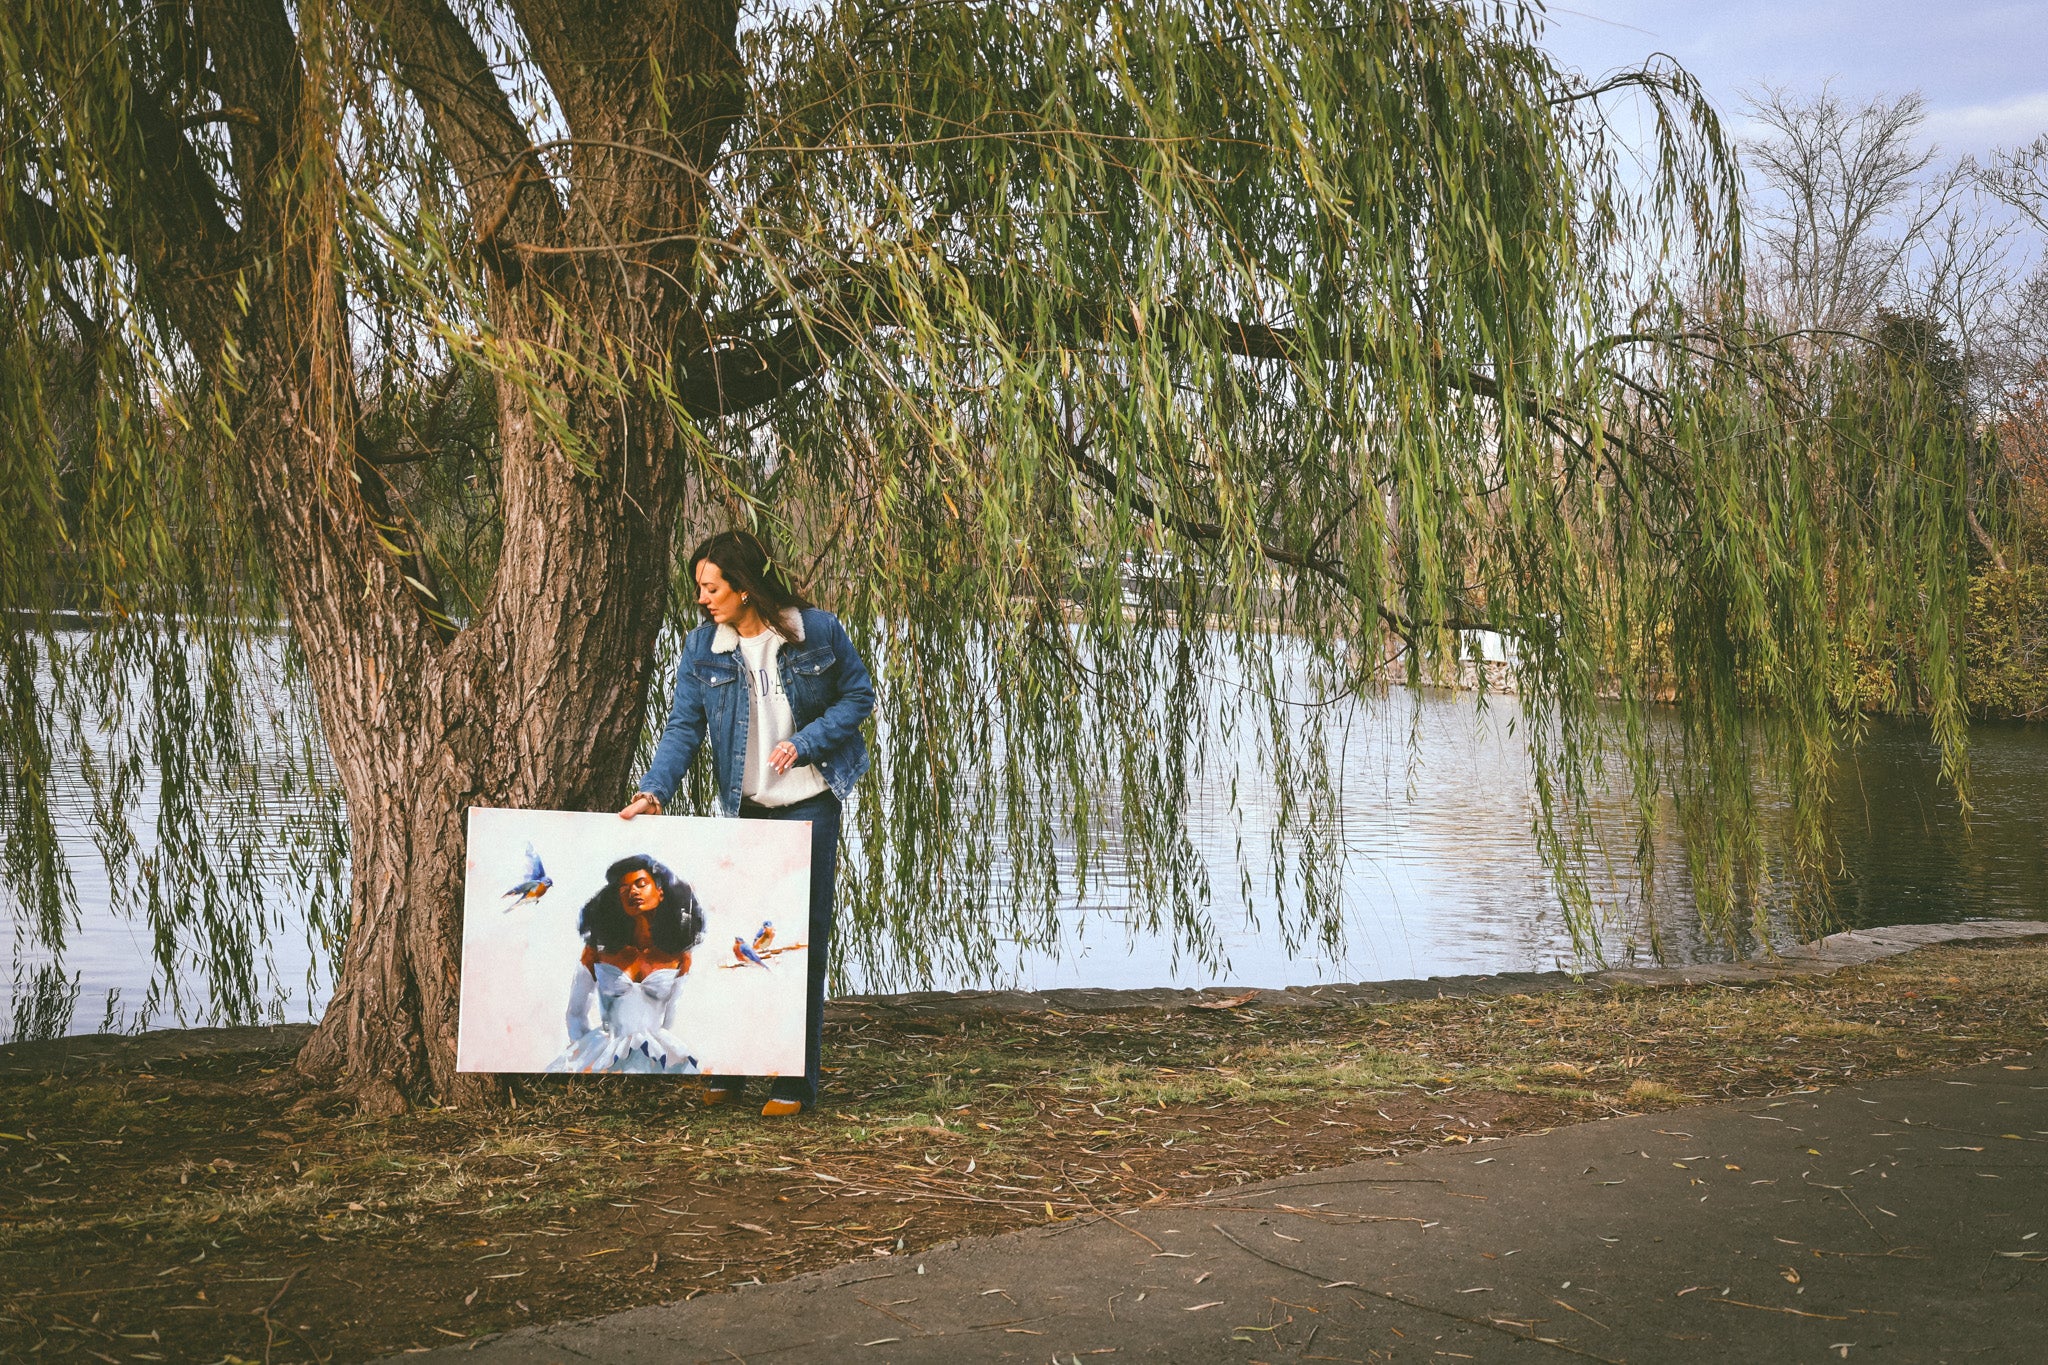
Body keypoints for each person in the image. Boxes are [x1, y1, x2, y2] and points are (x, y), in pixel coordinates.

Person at [619, 530, 875, 1116]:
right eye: (700, 588)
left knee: (799, 942)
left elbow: (858, 697)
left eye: (711, 588)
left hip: (809, 807)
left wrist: (807, 741)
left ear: (745, 587)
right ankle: (731, 1068)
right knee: (733, 940)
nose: (702, 599)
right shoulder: (703, 647)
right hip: (745, 811)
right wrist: (654, 791)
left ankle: (794, 1081)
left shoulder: (817, 631)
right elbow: (684, 727)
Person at [547, 854, 706, 1074]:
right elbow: (576, 1013)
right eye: (624, 889)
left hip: (659, 1057)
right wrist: (583, 1050)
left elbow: (675, 1018)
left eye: (641, 884)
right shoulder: (597, 952)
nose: (633, 892)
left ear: (660, 892)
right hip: (603, 1054)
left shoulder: (680, 956)